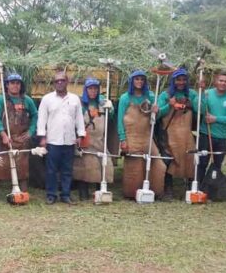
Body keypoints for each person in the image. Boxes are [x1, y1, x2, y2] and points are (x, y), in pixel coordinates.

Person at [0, 73, 38, 201]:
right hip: (5, 138)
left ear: (21, 85)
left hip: (22, 139)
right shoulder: (0, 100)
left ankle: (23, 191)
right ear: (7, 85)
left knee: (22, 165)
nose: (15, 85)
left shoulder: (27, 100)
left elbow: (35, 116)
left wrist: (31, 132)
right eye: (12, 83)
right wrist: (3, 134)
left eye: (18, 83)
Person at [37, 71, 85, 204]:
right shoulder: (47, 99)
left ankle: (65, 194)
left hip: (69, 140)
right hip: (53, 140)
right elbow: (42, 119)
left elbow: (79, 118)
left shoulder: (74, 99)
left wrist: (80, 134)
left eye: (62, 80)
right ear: (53, 83)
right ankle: (51, 195)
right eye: (57, 81)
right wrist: (42, 137)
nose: (59, 83)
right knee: (51, 170)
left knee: (67, 170)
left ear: (67, 82)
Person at [117, 70, 166, 199]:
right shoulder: (125, 98)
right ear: (132, 81)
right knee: (135, 168)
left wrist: (157, 110)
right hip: (131, 137)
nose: (139, 82)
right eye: (137, 79)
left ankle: (156, 191)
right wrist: (122, 139)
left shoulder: (149, 96)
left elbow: (157, 115)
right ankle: (131, 193)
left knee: (158, 164)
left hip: (147, 137)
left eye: (142, 79)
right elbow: (120, 120)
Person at [157, 68, 197, 200]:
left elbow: (199, 108)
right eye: (178, 79)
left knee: (190, 158)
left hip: (186, 133)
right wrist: (169, 105)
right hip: (170, 133)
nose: (181, 82)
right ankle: (168, 189)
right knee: (170, 159)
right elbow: (157, 114)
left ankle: (192, 188)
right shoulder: (165, 95)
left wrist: (197, 98)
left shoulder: (192, 94)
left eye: (184, 79)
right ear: (173, 81)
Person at [72, 77, 114, 200]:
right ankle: (83, 193)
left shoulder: (102, 103)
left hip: (100, 141)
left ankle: (100, 191)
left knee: (105, 165)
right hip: (86, 141)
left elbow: (110, 118)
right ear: (86, 89)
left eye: (95, 88)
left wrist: (110, 109)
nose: (93, 91)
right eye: (90, 88)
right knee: (86, 167)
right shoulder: (80, 104)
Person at [197, 70, 226, 183]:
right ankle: (198, 188)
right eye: (221, 80)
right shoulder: (207, 93)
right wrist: (201, 91)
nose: (223, 83)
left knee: (217, 165)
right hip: (206, 134)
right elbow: (199, 109)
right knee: (202, 163)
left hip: (223, 137)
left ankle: (212, 189)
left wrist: (216, 119)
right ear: (216, 81)